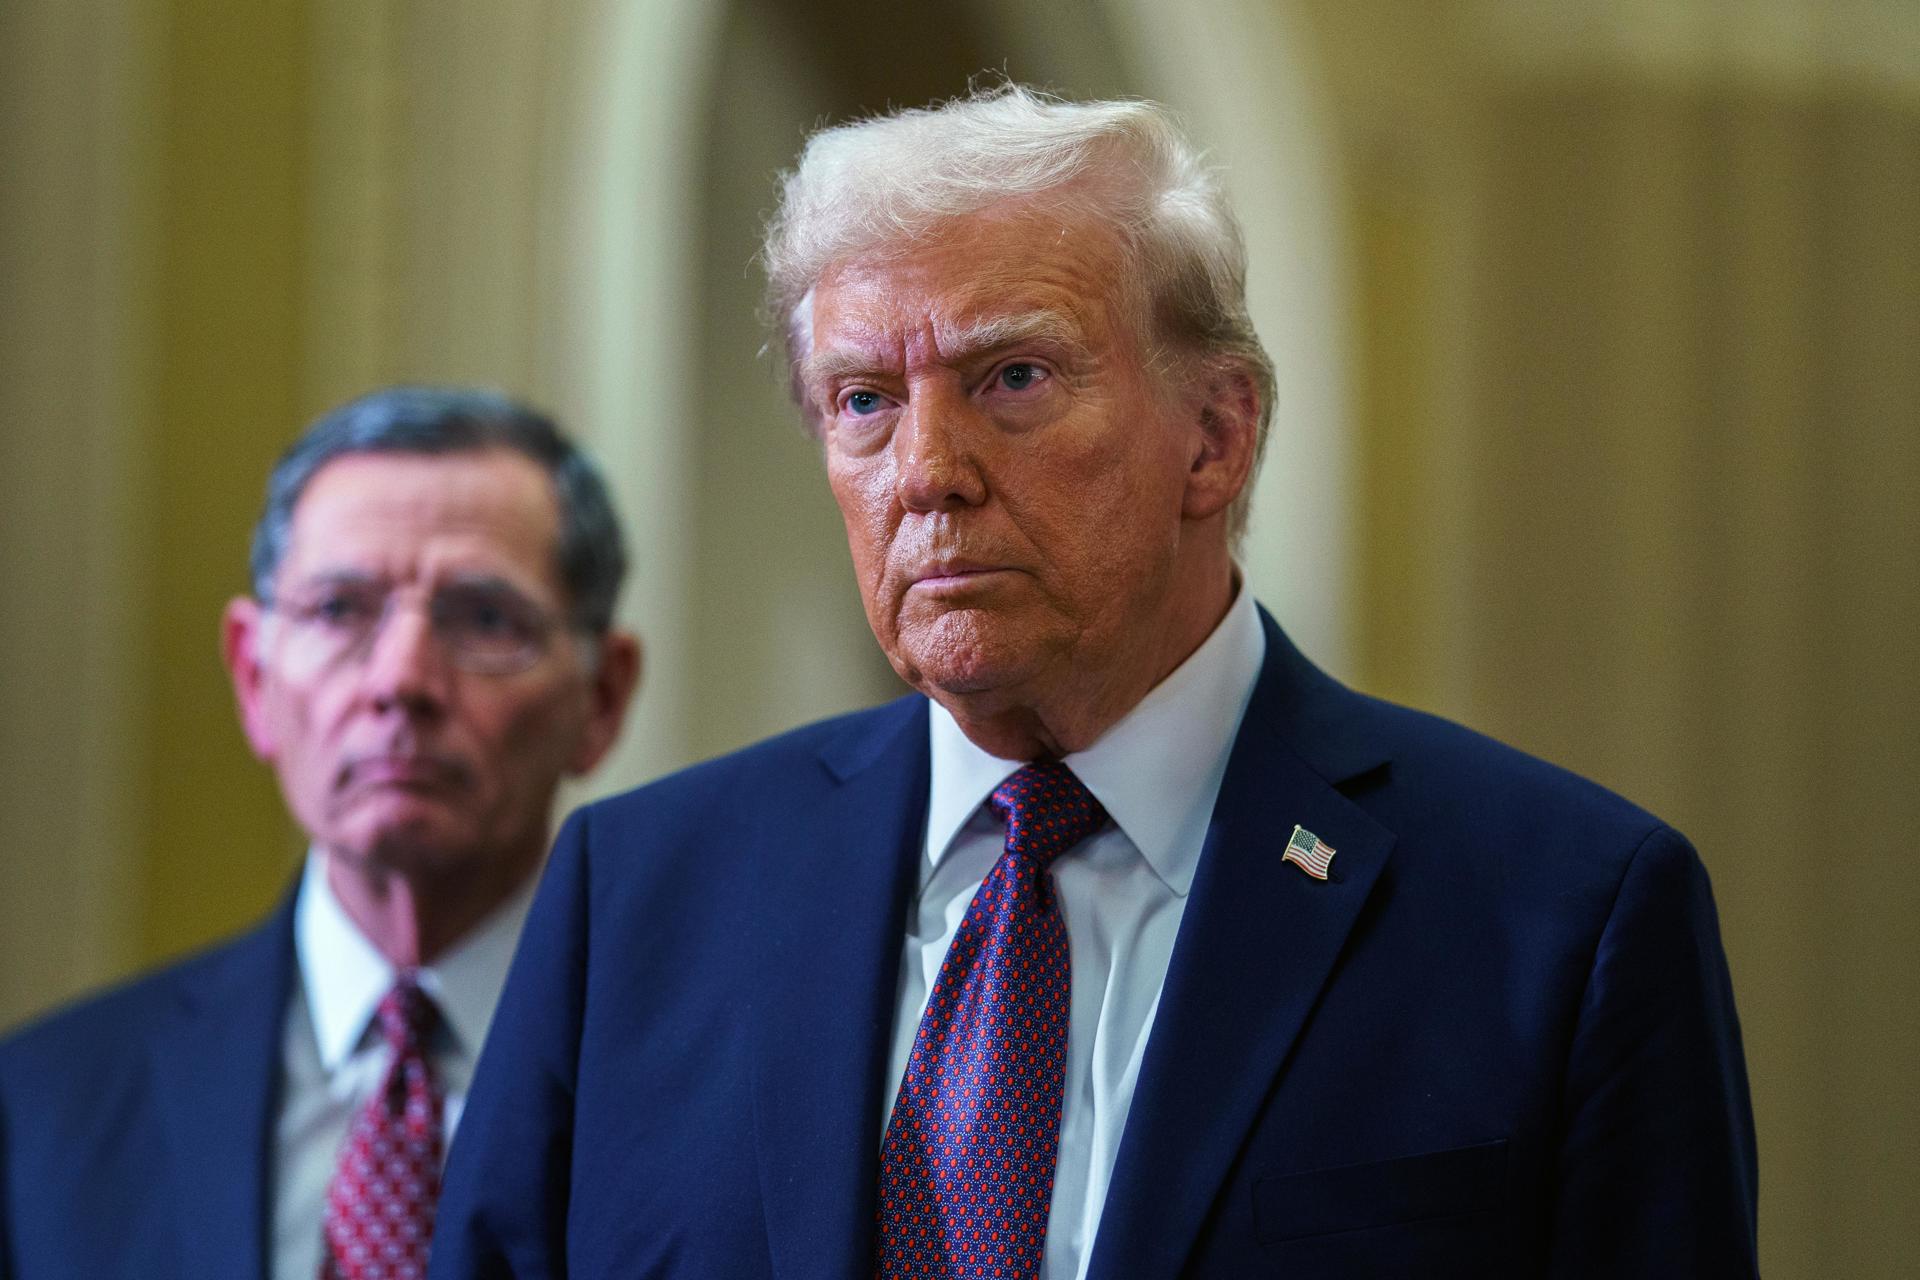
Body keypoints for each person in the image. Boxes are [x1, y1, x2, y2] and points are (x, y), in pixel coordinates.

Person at [431, 87, 1758, 1279]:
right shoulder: (636, 898)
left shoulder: (1561, 917)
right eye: (862, 401)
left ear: (1216, 437)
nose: (927, 471)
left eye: (1011, 377)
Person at [0, 386, 641, 1280]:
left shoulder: (704, 1091)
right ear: (253, 676)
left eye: (484, 619)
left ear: (601, 699)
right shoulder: (42, 1113)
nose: (400, 680)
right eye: (340, 610)